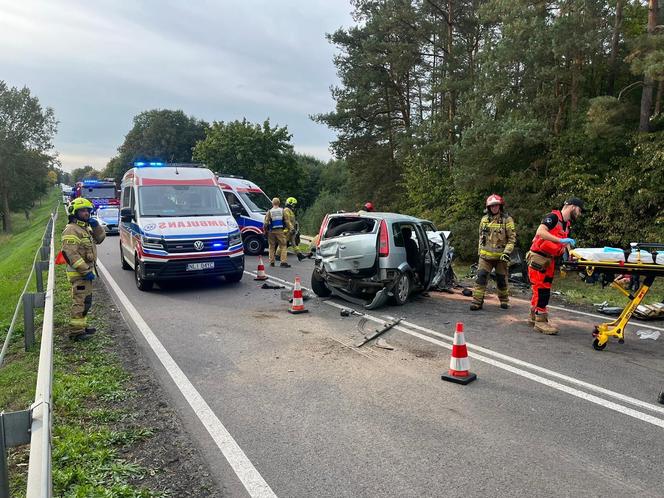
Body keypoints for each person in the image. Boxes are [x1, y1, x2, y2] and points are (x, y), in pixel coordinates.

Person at [527, 197, 584, 334]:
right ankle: (540, 322)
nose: (580, 214)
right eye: (579, 210)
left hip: (549, 259)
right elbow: (540, 232)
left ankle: (534, 316)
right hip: (539, 257)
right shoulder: (552, 217)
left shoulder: (567, 224)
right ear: (572, 206)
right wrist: (560, 239)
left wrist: (571, 254)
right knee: (542, 290)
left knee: (542, 288)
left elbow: (566, 243)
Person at [61, 197, 105, 341]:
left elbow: (100, 239)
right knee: (80, 302)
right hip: (79, 275)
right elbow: (70, 254)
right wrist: (86, 271)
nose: (86, 213)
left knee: (86, 301)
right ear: (75, 212)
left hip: (86, 274)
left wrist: (96, 226)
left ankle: (82, 327)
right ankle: (76, 333)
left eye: (88, 210)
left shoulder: (85, 227)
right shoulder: (71, 230)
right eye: (82, 211)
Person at [470, 194, 516, 311]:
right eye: (492, 206)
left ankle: (504, 301)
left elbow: (511, 239)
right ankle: (477, 302)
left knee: (501, 280)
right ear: (488, 207)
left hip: (501, 257)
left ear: (500, 206)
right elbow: (480, 237)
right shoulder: (484, 220)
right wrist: (480, 252)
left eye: (496, 205)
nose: (494, 208)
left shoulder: (507, 220)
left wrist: (507, 252)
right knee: (481, 278)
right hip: (485, 257)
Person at [263, 197, 291, 267]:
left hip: (271, 231)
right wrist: (290, 228)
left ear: (272, 203)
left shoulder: (270, 211)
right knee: (283, 245)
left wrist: (265, 231)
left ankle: (272, 262)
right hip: (280, 231)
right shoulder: (282, 211)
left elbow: (266, 223)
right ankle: (283, 262)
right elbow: (287, 221)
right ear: (279, 203)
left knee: (271, 246)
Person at [283, 197, 305, 261]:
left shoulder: (290, 211)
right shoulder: (286, 210)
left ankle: (299, 255)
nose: (294, 206)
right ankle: (277, 255)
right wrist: (292, 228)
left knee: (293, 243)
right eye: (293, 204)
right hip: (287, 230)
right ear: (290, 203)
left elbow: (292, 221)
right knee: (284, 243)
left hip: (291, 230)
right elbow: (287, 221)